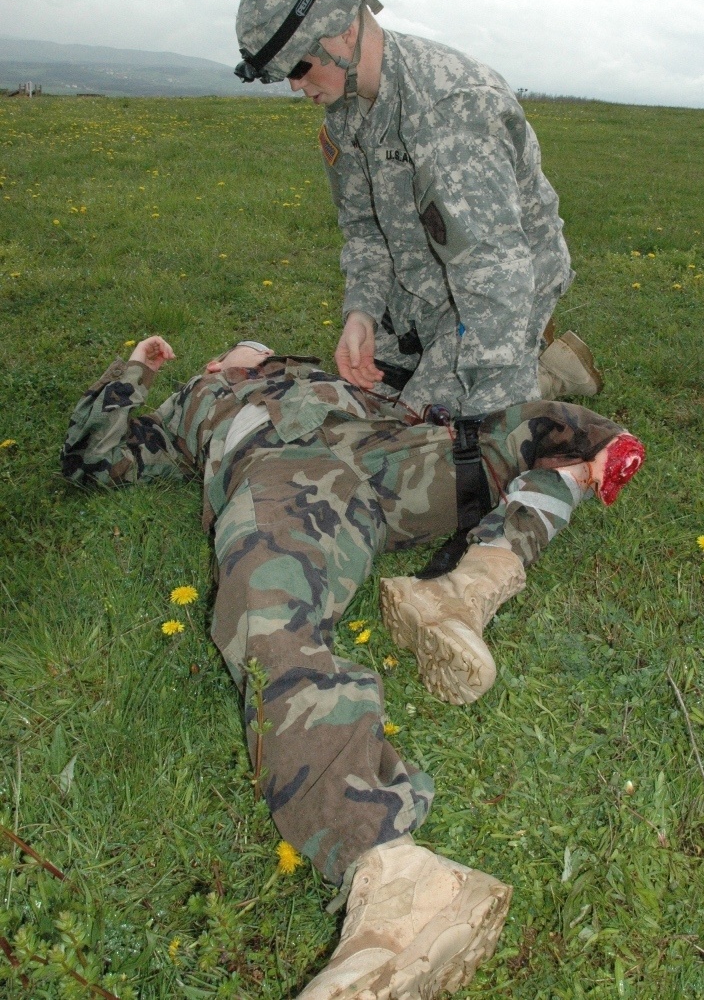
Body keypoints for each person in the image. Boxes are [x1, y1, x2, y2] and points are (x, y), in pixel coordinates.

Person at [61, 336, 643, 1000]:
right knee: (265, 600)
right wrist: (135, 367)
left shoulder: (327, 375)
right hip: (286, 478)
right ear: (217, 365)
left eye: (265, 346)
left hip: (392, 456)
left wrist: (579, 436)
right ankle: (394, 871)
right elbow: (90, 456)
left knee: (549, 430)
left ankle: (469, 587)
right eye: (239, 349)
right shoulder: (194, 403)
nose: (258, 346)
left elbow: (468, 415)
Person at [234, 0, 602, 418]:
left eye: (300, 67)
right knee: (359, 407)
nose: (295, 86)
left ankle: (539, 370)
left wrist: (486, 420)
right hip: (421, 289)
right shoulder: (345, 119)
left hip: (494, 293)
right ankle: (514, 361)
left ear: (345, 31)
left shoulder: (452, 110)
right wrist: (361, 314)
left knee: (413, 436)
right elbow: (364, 231)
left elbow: (497, 277)